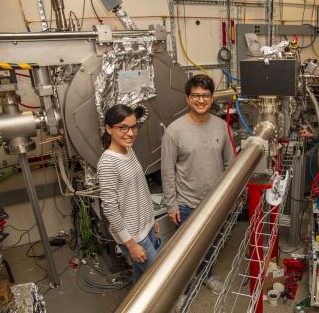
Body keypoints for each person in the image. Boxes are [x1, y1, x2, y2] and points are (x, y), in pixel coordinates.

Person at [161, 74, 234, 309]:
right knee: (185, 253)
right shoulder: (174, 131)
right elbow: (167, 171)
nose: (200, 100)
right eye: (196, 96)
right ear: (187, 98)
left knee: (212, 244)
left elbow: (229, 165)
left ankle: (208, 276)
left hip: (214, 203)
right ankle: (182, 289)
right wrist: (171, 204)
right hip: (186, 203)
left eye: (205, 96)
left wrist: (228, 197)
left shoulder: (221, 126)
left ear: (212, 99)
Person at [97, 104, 160, 283]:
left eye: (134, 127)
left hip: (145, 227)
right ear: (108, 129)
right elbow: (110, 209)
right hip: (134, 236)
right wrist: (130, 244)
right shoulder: (108, 163)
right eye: (123, 127)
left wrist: (151, 218)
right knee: (157, 279)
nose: (130, 133)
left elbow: (141, 187)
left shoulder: (128, 150)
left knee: (142, 279)